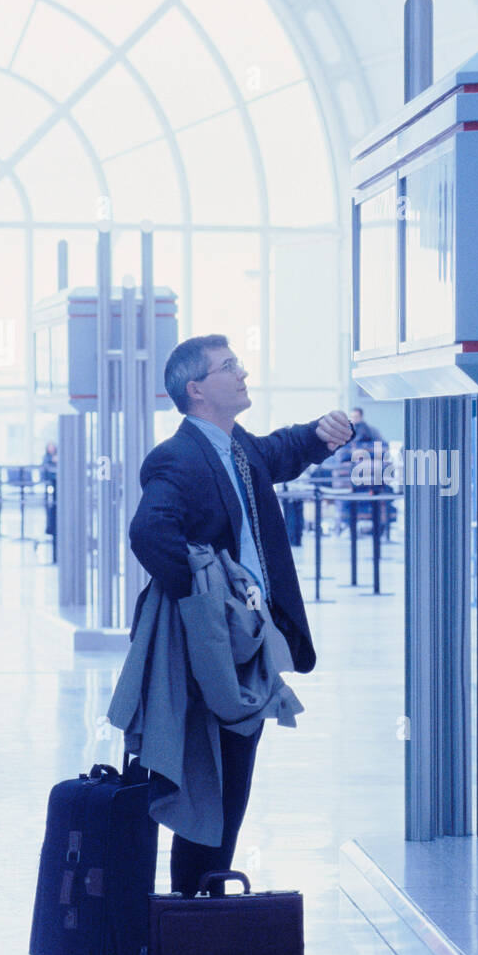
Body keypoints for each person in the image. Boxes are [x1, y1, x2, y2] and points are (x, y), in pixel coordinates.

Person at [128, 334, 354, 897]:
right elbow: (149, 533)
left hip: (250, 642)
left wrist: (319, 435)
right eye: (229, 367)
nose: (242, 373)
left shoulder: (236, 447)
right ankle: (193, 914)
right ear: (197, 389)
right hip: (214, 646)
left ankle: (201, 910)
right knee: (209, 783)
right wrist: (212, 605)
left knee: (230, 781)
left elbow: (279, 453)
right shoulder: (176, 457)